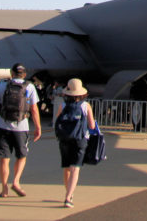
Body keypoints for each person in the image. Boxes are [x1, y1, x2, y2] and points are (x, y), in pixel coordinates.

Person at [0, 62, 42, 198]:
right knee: (21, 156)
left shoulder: (3, 85)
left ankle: (4, 188)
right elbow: (34, 109)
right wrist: (38, 127)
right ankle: (16, 182)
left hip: (2, 126)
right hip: (21, 126)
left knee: (4, 159)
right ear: (24, 74)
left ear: (11, 74)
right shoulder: (29, 87)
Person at [54, 78, 96, 209]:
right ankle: (68, 197)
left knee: (66, 168)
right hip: (80, 139)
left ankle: (68, 193)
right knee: (75, 169)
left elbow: (56, 121)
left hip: (65, 140)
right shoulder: (86, 106)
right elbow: (92, 125)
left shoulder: (63, 106)